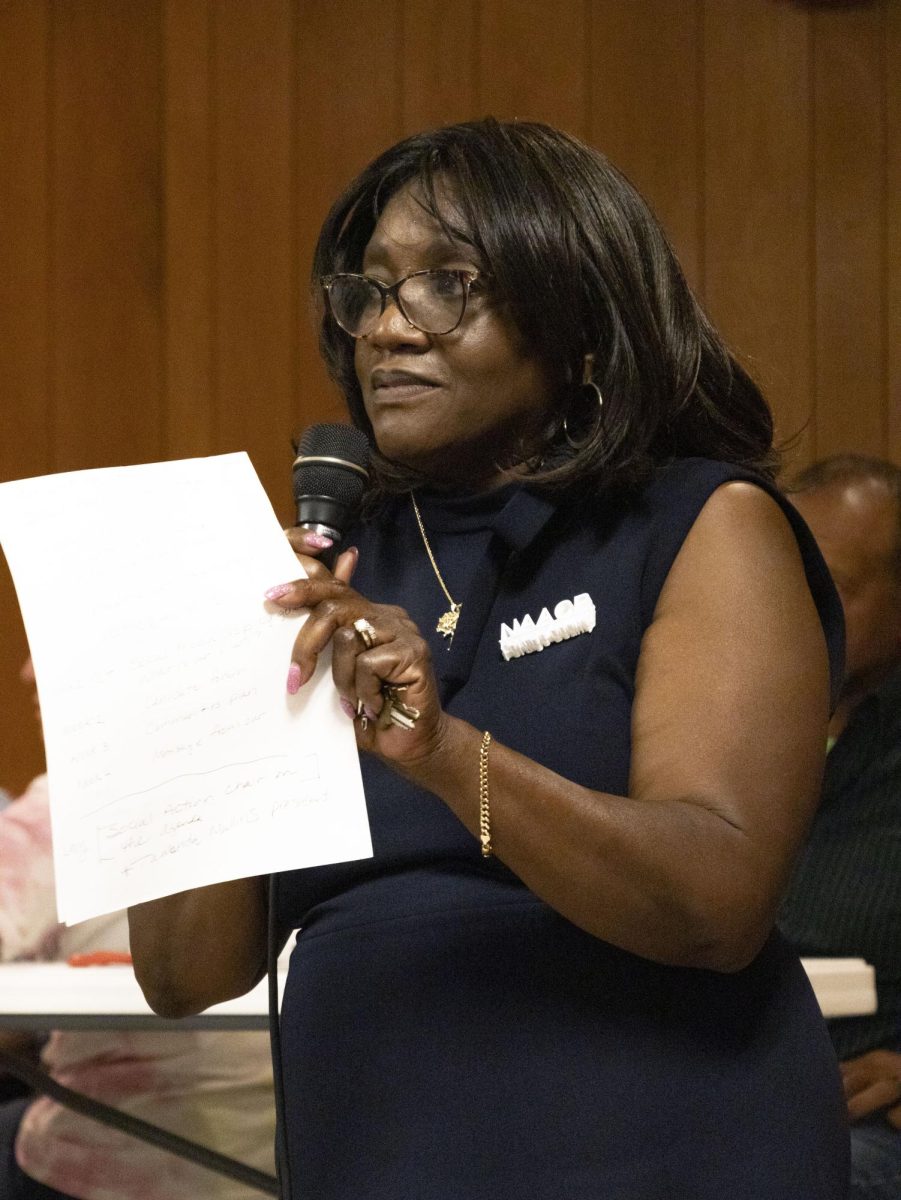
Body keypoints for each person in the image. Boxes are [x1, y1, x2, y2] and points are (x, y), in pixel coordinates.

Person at [128, 118, 849, 1198]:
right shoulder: (329, 574)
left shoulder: (698, 525)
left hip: (666, 1155)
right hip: (382, 1158)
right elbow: (185, 974)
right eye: (369, 291)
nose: (387, 329)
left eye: (443, 285)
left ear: (579, 325)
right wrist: (179, 719)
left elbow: (715, 903)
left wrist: (444, 755)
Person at [0, 658, 278, 1200]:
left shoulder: (70, 806)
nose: (29, 673)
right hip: (287, 1156)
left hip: (119, 1158)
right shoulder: (294, 784)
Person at [778, 456, 901, 1199]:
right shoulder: (709, 716)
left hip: (856, 1123)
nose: (800, 609)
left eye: (834, 588)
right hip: (700, 1087)